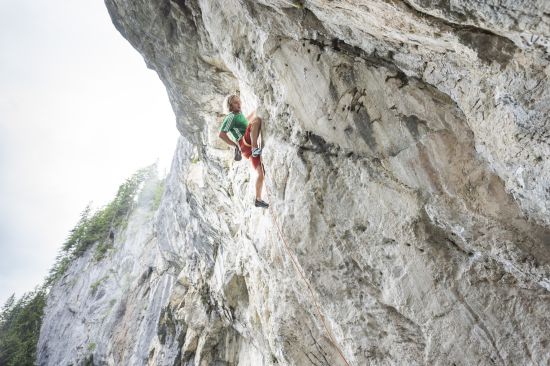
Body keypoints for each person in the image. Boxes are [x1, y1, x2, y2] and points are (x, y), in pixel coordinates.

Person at [218, 94, 269, 208]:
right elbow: (221, 134)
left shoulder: (238, 115)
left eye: (239, 102)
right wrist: (235, 145)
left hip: (248, 148)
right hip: (245, 144)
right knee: (257, 121)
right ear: (230, 106)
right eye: (236, 103)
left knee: (261, 173)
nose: (239, 104)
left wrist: (256, 110)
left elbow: (245, 122)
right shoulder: (230, 116)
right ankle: (256, 148)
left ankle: (258, 199)